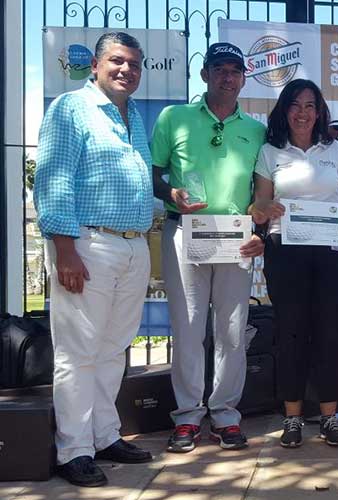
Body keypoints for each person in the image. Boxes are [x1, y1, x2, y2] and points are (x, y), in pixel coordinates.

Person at [34, 31, 154, 487]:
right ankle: (74, 449)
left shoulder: (132, 115)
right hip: (86, 244)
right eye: (118, 61)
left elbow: (130, 183)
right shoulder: (71, 108)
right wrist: (64, 249)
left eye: (134, 64)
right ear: (97, 65)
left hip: (132, 245)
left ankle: (105, 435)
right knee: (79, 353)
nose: (127, 70)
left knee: (112, 349)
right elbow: (53, 179)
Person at [151, 42, 266, 452]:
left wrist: (262, 231)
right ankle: (187, 416)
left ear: (244, 79)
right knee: (187, 328)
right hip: (185, 232)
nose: (227, 77)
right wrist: (171, 193)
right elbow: (154, 175)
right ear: (205, 74)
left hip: (236, 239)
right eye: (219, 69)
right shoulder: (174, 118)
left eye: (235, 70)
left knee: (232, 331)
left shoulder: (257, 130)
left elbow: (263, 191)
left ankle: (225, 415)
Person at [250, 79, 338, 448]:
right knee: (291, 333)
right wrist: (264, 208)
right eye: (296, 105)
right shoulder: (270, 151)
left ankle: (329, 417)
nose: (303, 113)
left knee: (330, 333)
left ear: (319, 112)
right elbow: (258, 204)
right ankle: (293, 418)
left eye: (310, 105)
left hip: (330, 250)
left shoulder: (334, 149)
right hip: (285, 250)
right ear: (285, 110)